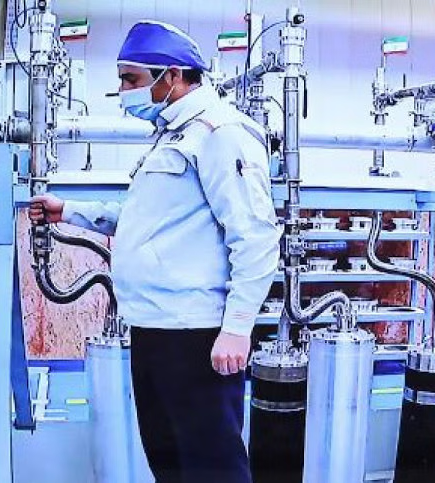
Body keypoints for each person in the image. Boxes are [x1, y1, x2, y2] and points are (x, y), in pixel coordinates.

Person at [29, 20, 281, 483]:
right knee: (170, 465)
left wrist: (237, 328)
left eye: (132, 79)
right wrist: (70, 211)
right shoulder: (170, 136)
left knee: (212, 470)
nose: (124, 91)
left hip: (196, 335)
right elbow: (145, 221)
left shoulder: (220, 133)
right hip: (154, 330)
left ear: (173, 76)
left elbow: (256, 236)